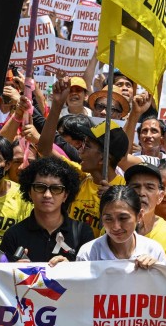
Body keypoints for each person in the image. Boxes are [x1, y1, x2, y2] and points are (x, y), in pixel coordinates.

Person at [37, 78, 127, 237]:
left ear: (103, 159)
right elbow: (44, 149)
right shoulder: (80, 176)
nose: (80, 151)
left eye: (88, 146)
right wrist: (57, 105)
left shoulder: (126, 190)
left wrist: (114, 200)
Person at [0, 157, 94, 264]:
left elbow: (91, 276)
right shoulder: (13, 235)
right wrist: (14, 271)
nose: (47, 195)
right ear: (29, 192)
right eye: (40, 187)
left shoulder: (82, 233)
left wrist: (71, 269)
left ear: (66, 195)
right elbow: (2, 278)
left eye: (56, 189)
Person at [76, 186, 166, 269]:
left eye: (123, 218)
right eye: (108, 219)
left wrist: (156, 270)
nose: (116, 227)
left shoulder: (154, 251)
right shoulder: (88, 254)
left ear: (139, 216)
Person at [124, 162, 166, 261]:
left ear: (160, 196)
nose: (141, 193)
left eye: (149, 187)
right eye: (135, 187)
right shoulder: (113, 228)